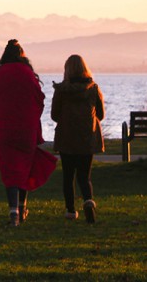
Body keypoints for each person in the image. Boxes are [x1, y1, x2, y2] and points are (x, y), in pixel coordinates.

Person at [0, 39, 57, 226]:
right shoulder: (28, 74)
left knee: (10, 170)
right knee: (25, 167)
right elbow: (39, 99)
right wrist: (31, 118)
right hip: (26, 129)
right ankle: (22, 208)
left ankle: (13, 212)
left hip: (5, 130)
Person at [51, 54, 105, 224]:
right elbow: (101, 114)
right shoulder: (93, 88)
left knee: (68, 176)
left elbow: (54, 115)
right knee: (84, 175)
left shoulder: (62, 90)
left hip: (67, 137)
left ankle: (70, 210)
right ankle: (88, 201)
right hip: (87, 138)